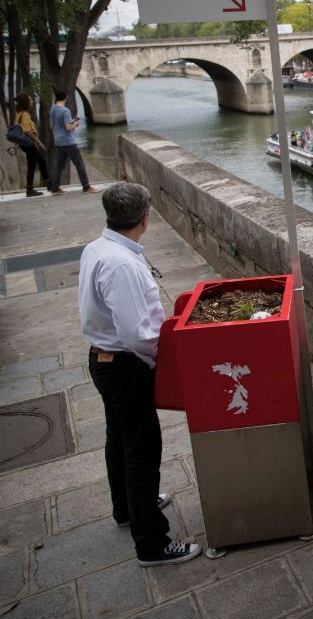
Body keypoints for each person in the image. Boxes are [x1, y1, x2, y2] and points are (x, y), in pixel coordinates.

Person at [79, 183, 200, 567]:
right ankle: (152, 542)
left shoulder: (97, 248)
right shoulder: (122, 264)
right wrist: (161, 362)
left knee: (120, 440)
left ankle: (127, 509)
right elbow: (138, 335)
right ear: (145, 218)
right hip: (126, 364)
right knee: (143, 451)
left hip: (103, 359)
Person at [48, 89, 96, 194]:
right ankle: (86, 187)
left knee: (59, 165)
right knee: (80, 164)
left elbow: (52, 125)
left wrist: (70, 122)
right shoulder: (65, 111)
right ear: (66, 98)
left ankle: (55, 188)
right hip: (68, 141)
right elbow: (68, 128)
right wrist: (75, 123)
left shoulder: (53, 109)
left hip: (58, 141)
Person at [12, 93, 49, 196]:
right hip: (29, 143)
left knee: (41, 161)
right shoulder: (24, 115)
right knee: (33, 165)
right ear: (26, 103)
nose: (32, 102)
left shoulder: (19, 113)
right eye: (30, 100)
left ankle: (48, 182)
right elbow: (28, 131)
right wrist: (39, 142)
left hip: (26, 144)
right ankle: (30, 189)